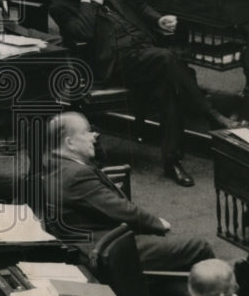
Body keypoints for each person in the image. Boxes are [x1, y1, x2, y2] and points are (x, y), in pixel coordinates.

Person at [48, 0, 242, 187]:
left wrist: (158, 20)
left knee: (169, 86)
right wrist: (87, 1)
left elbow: (138, 5)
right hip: (114, 63)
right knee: (167, 59)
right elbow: (83, 33)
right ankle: (210, 115)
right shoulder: (60, 5)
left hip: (144, 50)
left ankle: (172, 161)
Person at [44, 112, 215, 269]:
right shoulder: (76, 175)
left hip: (94, 240)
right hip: (109, 249)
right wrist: (158, 224)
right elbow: (122, 210)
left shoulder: (56, 164)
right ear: (70, 143)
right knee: (199, 247)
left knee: (176, 246)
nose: (93, 136)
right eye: (87, 132)